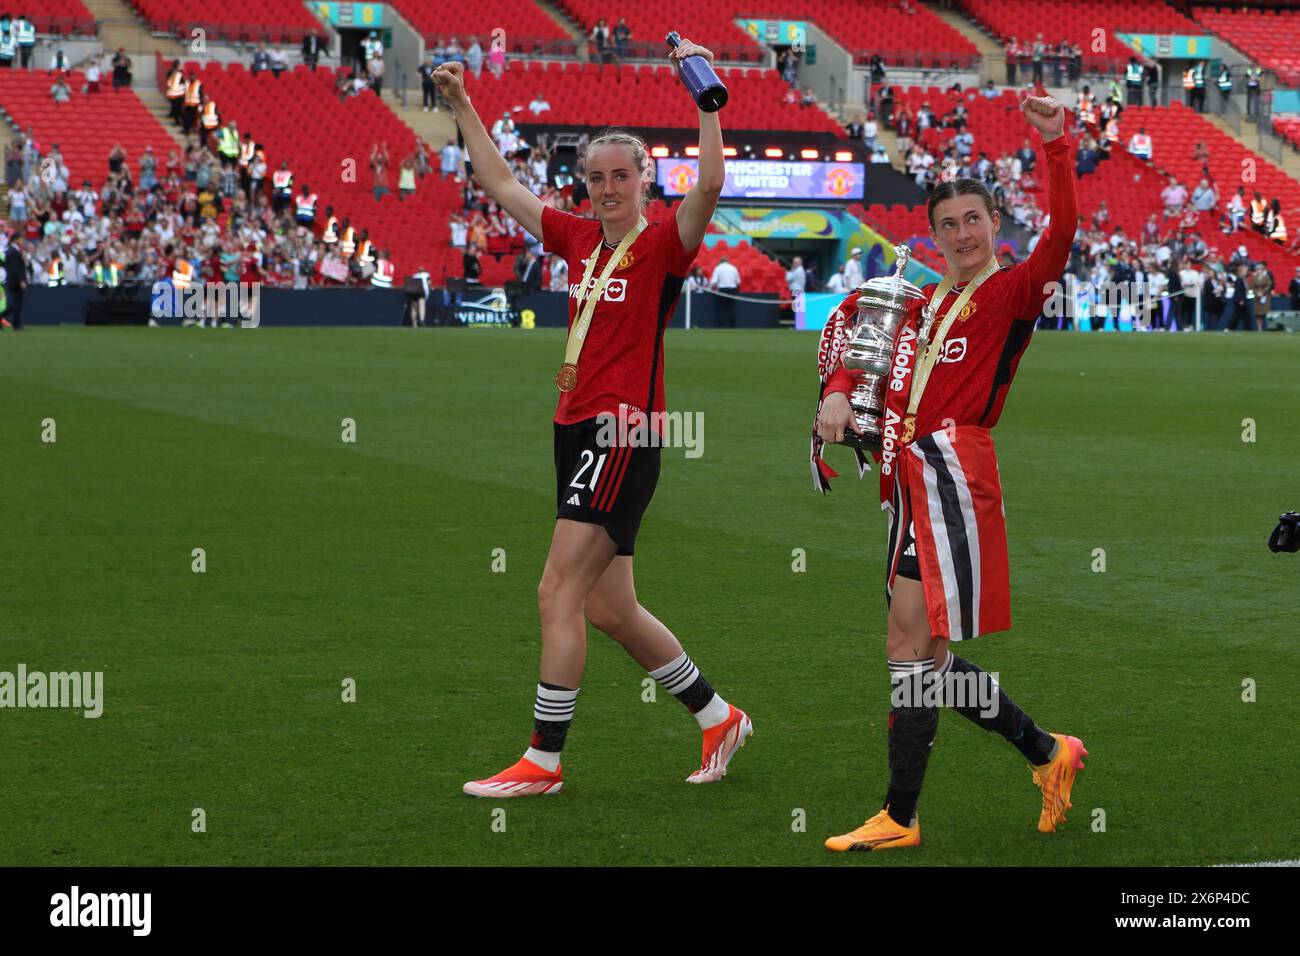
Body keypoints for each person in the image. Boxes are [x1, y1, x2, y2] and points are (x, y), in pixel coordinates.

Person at [435, 41, 752, 799]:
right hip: (575, 426)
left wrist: (706, 99)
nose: (608, 188)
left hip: (624, 431)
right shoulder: (577, 236)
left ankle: (544, 761)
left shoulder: (664, 245)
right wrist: (463, 106)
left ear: (645, 180)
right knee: (611, 605)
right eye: (597, 178)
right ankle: (718, 716)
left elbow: (710, 182)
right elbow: (501, 180)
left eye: (622, 176)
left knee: (555, 592)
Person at [813, 94, 1086, 852]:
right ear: (932, 237)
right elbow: (863, 359)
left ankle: (902, 815)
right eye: (947, 225)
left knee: (909, 651)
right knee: (919, 655)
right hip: (912, 485)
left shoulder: (1011, 293)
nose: (962, 234)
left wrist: (1056, 144)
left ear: (995, 224)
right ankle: (1047, 752)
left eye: (973, 220)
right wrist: (837, 395)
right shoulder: (926, 303)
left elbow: (1062, 232)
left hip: (954, 480)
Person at [709, 255, 740, 327]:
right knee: (732, 309)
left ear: (720, 262)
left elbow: (714, 281)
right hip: (732, 290)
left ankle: (722, 325)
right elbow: (738, 281)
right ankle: (732, 325)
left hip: (723, 290)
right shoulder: (733, 268)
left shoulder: (718, 268)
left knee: (722, 309)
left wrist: (708, 288)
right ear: (728, 261)